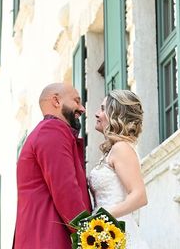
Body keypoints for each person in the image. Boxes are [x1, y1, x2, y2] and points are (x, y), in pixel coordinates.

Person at [13, 82, 91, 249]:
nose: (82, 108)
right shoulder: (53, 129)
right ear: (56, 101)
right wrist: (91, 237)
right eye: (76, 101)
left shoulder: (44, 132)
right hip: (50, 239)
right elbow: (66, 189)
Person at [89, 89, 150, 248]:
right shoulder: (113, 150)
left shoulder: (121, 148)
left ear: (116, 116)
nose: (97, 114)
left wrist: (103, 218)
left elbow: (139, 196)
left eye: (103, 109)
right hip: (104, 232)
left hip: (116, 231)